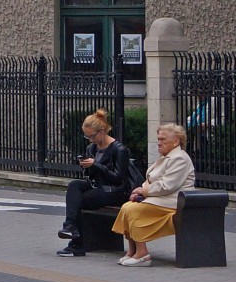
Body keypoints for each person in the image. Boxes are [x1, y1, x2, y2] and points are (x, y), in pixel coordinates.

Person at [111, 123, 196, 267]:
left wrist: (143, 191)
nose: (159, 143)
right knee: (127, 207)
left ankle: (143, 254)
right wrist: (139, 191)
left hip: (174, 203)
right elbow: (150, 180)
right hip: (161, 199)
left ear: (176, 141)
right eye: (158, 139)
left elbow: (168, 185)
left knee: (133, 210)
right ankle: (132, 250)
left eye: (163, 139)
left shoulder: (179, 158)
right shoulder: (166, 157)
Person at [56, 109, 132, 257]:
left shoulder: (119, 149)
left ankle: (76, 244)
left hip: (115, 190)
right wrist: (86, 166)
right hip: (98, 186)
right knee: (74, 185)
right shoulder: (91, 148)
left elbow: (118, 178)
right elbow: (91, 177)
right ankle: (70, 226)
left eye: (92, 136)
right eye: (87, 136)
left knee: (78, 201)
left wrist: (96, 165)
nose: (90, 140)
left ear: (102, 131)